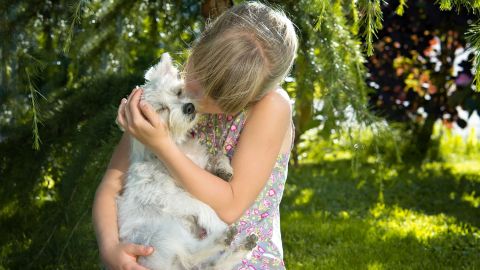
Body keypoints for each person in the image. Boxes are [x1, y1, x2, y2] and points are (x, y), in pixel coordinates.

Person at [92, 2, 298, 269]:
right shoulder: (167, 95)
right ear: (200, 45)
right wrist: (110, 247)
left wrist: (162, 145)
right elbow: (113, 184)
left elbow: (231, 205)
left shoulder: (271, 108)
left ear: (254, 96)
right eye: (198, 75)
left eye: (219, 97)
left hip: (239, 260)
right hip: (166, 254)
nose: (196, 99)